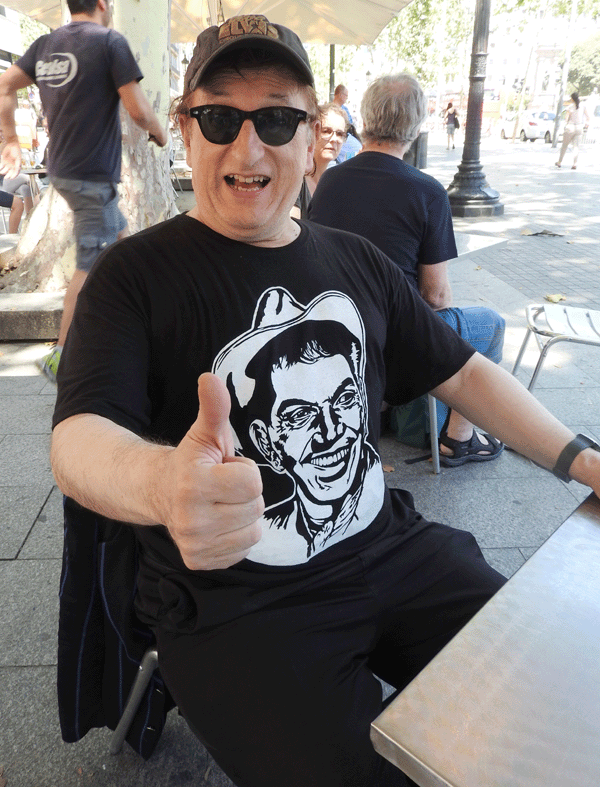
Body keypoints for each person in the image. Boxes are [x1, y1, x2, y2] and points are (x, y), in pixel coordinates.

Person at [49, 15, 600, 787]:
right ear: (186, 130)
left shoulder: (359, 262)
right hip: (238, 608)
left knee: (555, 696)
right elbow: (79, 435)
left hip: (392, 551)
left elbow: (463, 374)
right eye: (220, 118)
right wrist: (163, 484)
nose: (249, 148)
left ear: (313, 137)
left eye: (277, 119)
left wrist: (583, 460)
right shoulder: (133, 276)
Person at [309, 74, 505, 465]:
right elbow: (435, 296)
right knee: (493, 324)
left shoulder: (330, 181)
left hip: (336, 332)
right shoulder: (427, 191)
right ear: (416, 127)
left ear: (365, 119)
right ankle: (459, 437)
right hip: (394, 340)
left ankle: (384, 402)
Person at [0, 0, 167, 383]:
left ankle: (140, 316)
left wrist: (10, 140)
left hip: (65, 172)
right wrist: (159, 133)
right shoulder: (109, 42)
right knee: (89, 265)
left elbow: (4, 85)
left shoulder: (45, 45)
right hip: (92, 176)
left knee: (123, 241)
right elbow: (139, 110)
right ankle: (60, 355)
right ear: (103, 4)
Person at [292, 102, 348, 218]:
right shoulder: (296, 178)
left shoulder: (336, 184)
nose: (334, 139)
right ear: (314, 132)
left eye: (340, 134)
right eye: (326, 131)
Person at [555, 92, 589, 170]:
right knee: (576, 147)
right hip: (579, 127)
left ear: (572, 99)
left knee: (564, 146)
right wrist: (586, 124)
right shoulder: (583, 106)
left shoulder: (570, 107)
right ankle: (574, 163)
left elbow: (566, 119)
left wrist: (565, 125)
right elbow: (588, 117)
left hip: (570, 127)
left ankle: (559, 162)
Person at [333, 83, 362, 162]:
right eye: (346, 96)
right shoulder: (330, 110)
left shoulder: (344, 109)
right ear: (340, 95)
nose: (346, 98)